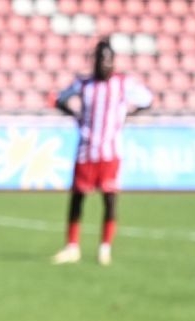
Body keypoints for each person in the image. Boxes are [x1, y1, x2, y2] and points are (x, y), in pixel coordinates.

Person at [52, 40, 152, 266]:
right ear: (94, 61)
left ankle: (105, 248)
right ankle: (72, 247)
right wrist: (75, 115)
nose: (104, 64)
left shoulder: (122, 84)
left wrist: (127, 115)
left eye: (108, 60)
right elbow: (60, 99)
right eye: (100, 59)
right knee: (77, 198)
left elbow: (147, 100)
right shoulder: (83, 84)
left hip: (110, 151)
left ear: (113, 62)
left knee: (110, 199)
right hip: (86, 150)